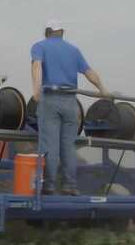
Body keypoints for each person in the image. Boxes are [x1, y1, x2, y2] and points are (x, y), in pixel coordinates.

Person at [31, 20, 108, 196]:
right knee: (68, 146)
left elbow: (36, 65)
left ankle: (49, 186)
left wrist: (36, 89)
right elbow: (89, 72)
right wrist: (102, 89)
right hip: (71, 102)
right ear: (62, 32)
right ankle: (70, 186)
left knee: (50, 146)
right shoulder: (74, 51)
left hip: (50, 99)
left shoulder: (39, 46)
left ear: (47, 32)